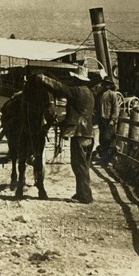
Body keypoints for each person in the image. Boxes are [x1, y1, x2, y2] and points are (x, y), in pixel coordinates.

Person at [35, 65, 95, 204]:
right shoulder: (89, 93)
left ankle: (85, 197)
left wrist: (43, 78)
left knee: (78, 165)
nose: (72, 81)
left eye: (74, 78)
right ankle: (81, 193)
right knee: (84, 165)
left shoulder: (76, 91)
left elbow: (60, 87)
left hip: (79, 134)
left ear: (77, 79)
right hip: (89, 134)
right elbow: (80, 112)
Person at [94, 76, 119, 165]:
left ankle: (110, 159)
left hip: (109, 120)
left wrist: (113, 120)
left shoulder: (112, 94)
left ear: (110, 85)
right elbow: (96, 106)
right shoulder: (100, 94)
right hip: (102, 119)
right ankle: (103, 158)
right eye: (105, 84)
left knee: (109, 139)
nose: (106, 86)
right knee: (102, 138)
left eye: (108, 84)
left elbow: (115, 108)